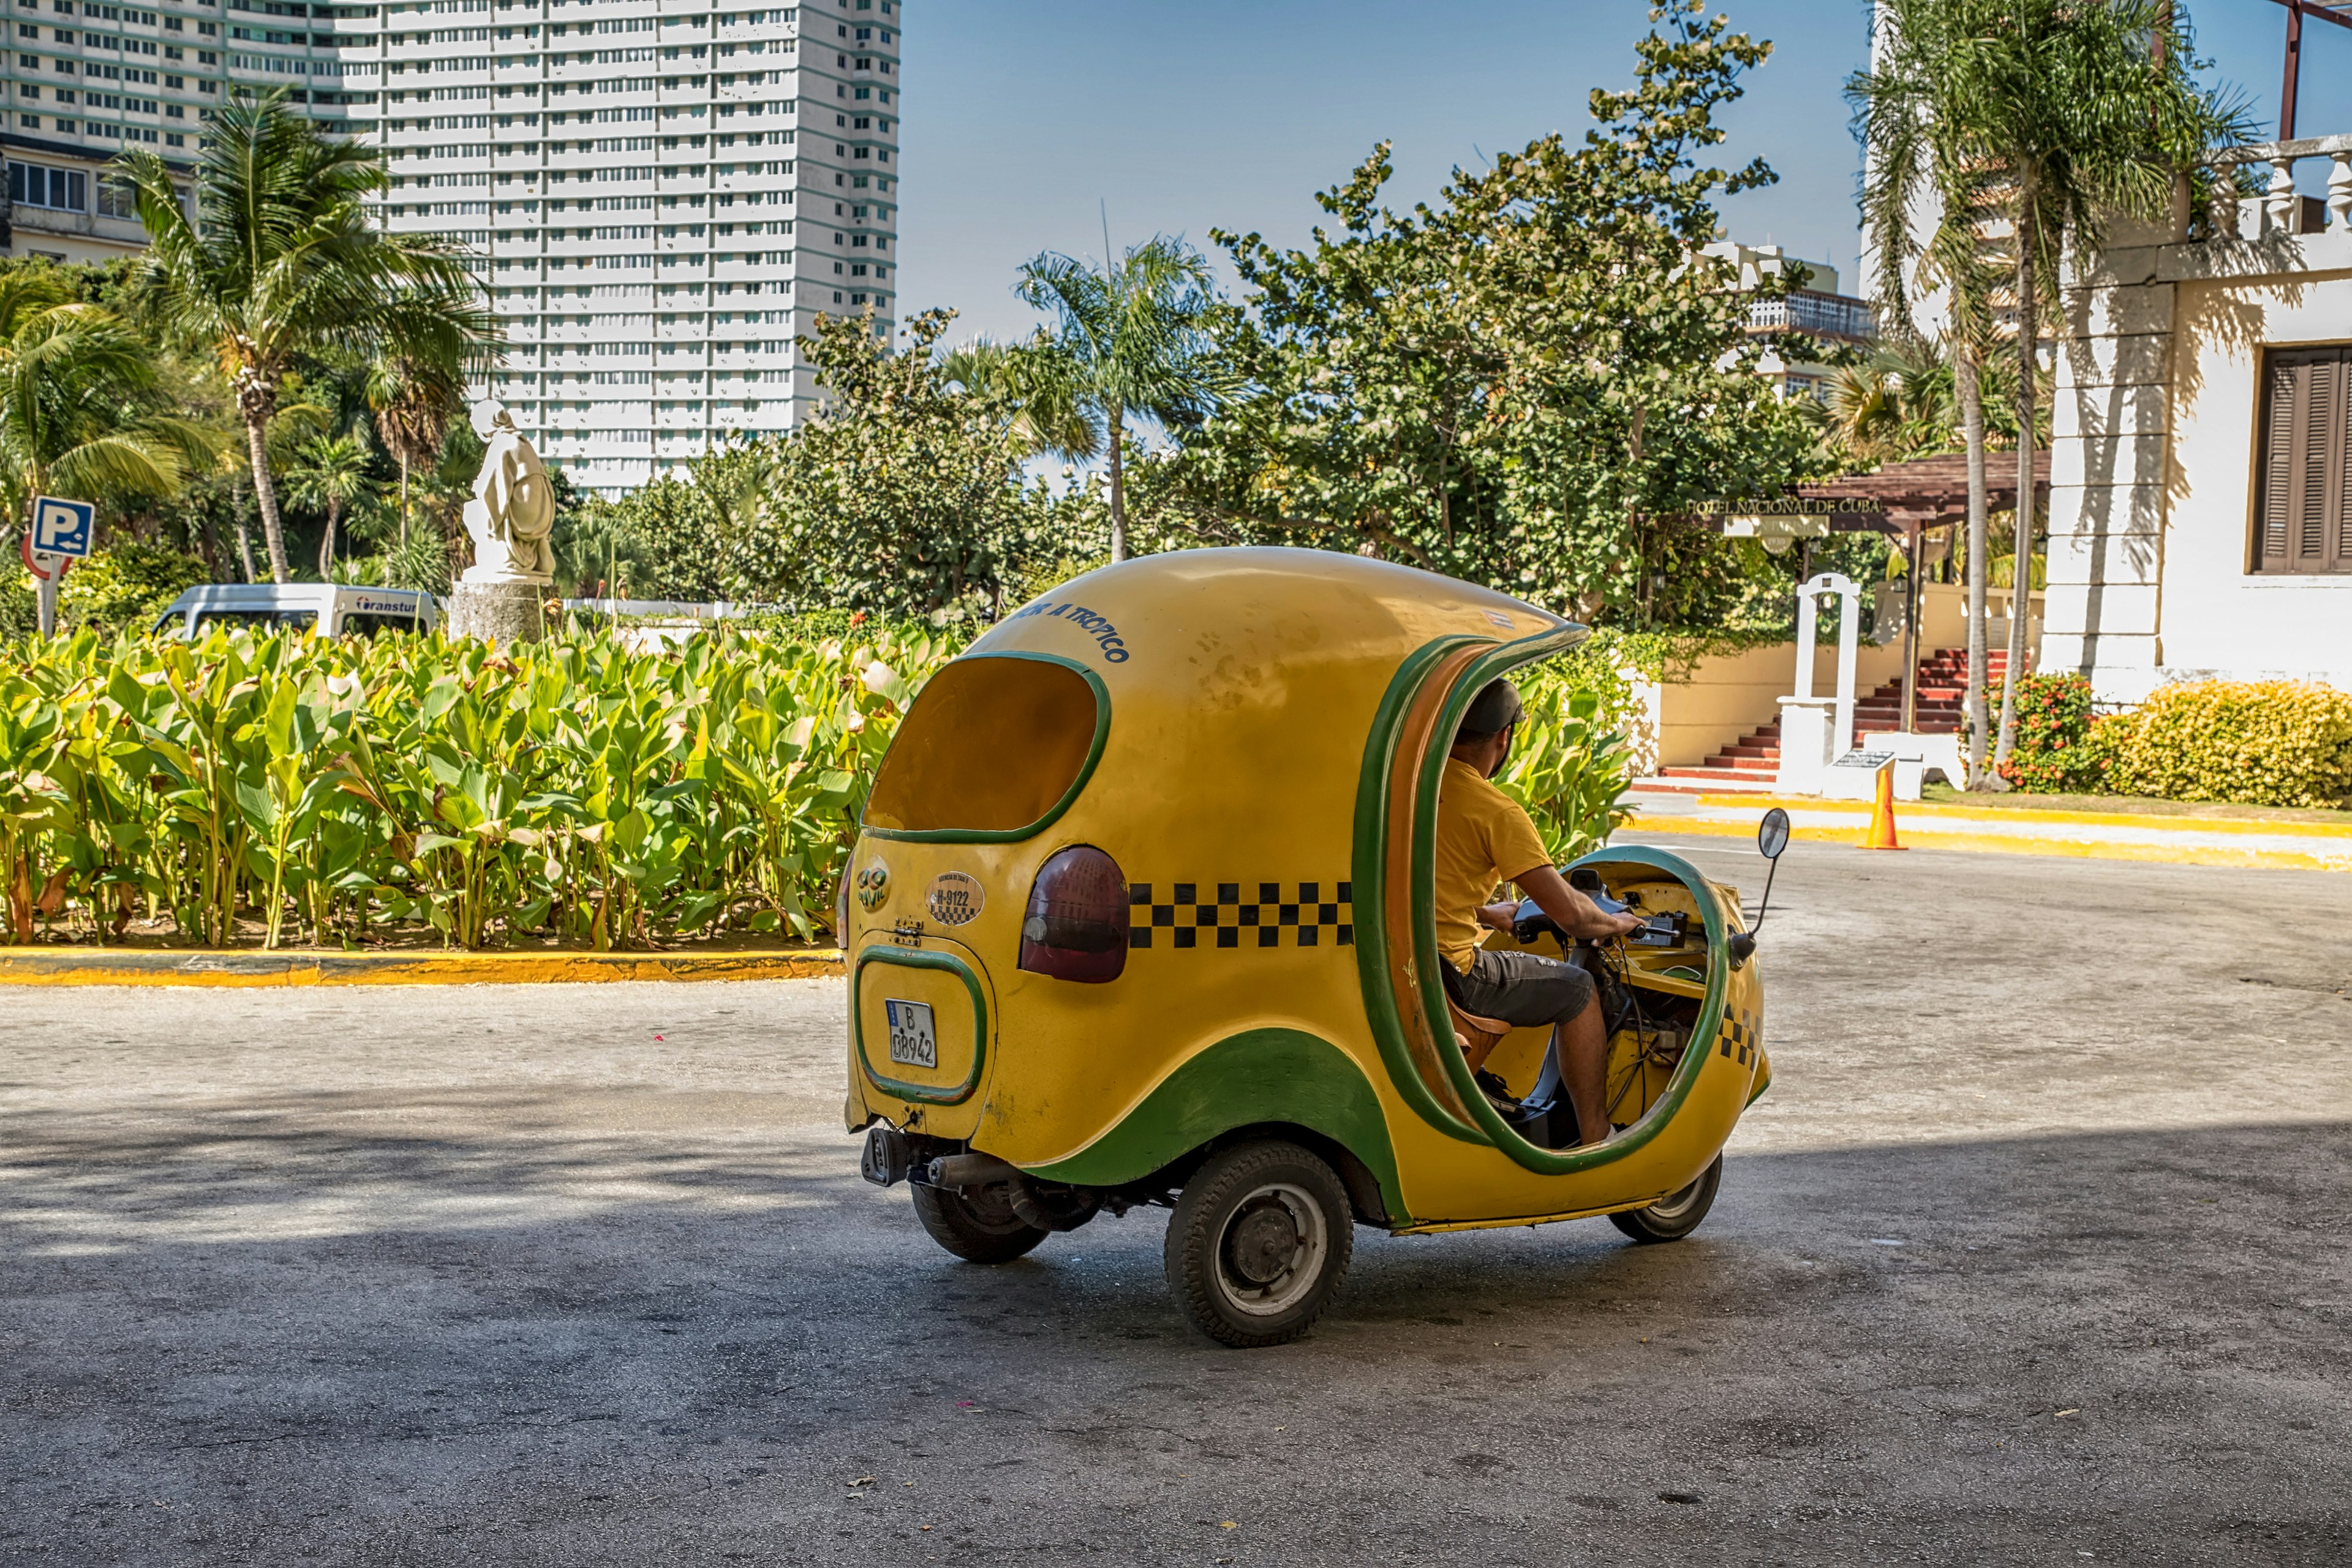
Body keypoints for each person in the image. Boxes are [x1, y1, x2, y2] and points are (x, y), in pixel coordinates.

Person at [1434, 677, 1645, 1147]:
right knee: (1578, 989)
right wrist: (1616, 922)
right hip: (1455, 973)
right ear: (1504, 738)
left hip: (1414, 962)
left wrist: (1488, 914)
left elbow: (1416, 885)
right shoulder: (1495, 811)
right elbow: (1571, 915)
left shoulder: (1409, 791)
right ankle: (1595, 1133)